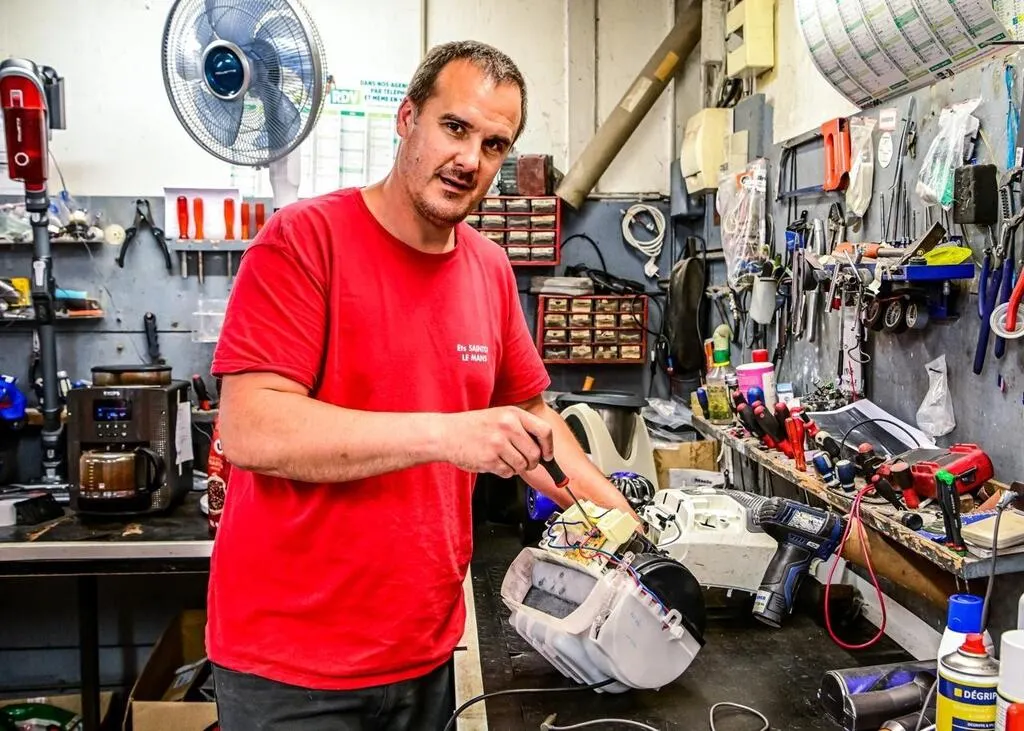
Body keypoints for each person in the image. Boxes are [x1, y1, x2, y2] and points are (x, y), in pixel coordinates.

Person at [208, 40, 635, 731]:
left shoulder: (489, 270)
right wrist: (449, 433)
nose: (470, 159)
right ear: (408, 118)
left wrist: (626, 529)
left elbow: (532, 418)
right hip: (291, 668)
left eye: (493, 145)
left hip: (422, 652)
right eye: (455, 127)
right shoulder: (304, 240)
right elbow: (252, 428)